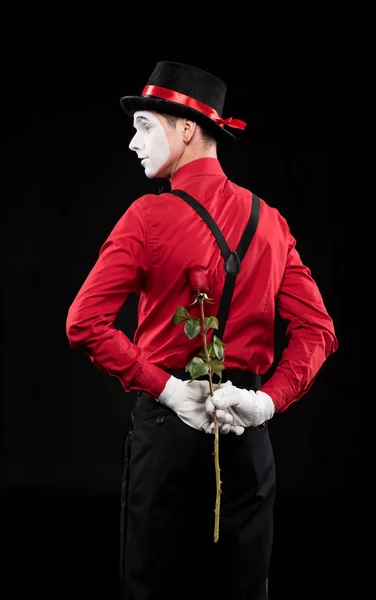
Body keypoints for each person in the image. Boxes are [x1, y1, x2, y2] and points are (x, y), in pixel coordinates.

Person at [65, 61, 338, 600]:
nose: (132, 143)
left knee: (152, 584)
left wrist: (166, 389)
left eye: (144, 126)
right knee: (242, 587)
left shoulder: (148, 217)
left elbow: (84, 322)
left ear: (186, 127)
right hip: (246, 429)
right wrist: (266, 404)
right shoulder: (272, 221)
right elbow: (318, 331)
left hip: (167, 426)